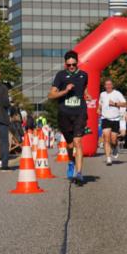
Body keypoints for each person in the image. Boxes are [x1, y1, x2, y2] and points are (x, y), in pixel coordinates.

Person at [48, 50, 91, 185]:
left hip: (80, 113)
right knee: (70, 144)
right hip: (64, 114)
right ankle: (71, 162)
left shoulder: (84, 75)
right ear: (65, 64)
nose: (71, 67)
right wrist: (65, 91)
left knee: (78, 142)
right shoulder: (60, 76)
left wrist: (87, 95)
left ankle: (79, 173)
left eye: (73, 64)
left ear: (77, 62)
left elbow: (84, 89)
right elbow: (51, 95)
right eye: (69, 65)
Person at [98, 78, 127, 166]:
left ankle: (114, 147)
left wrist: (115, 104)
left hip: (115, 119)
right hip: (105, 118)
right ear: (105, 86)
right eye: (107, 84)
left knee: (113, 140)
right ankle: (108, 158)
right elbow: (100, 103)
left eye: (110, 84)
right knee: (106, 138)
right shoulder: (102, 94)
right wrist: (98, 109)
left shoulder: (117, 93)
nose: (108, 86)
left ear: (112, 85)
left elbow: (125, 104)